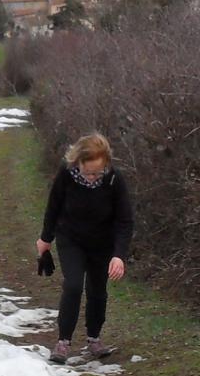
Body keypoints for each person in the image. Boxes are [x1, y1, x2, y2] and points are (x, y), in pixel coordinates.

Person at [37, 133, 132, 362]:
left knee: (98, 290)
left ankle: (94, 339)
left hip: (102, 243)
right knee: (73, 285)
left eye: (96, 173)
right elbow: (54, 207)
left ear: (106, 164)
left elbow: (125, 221)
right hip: (71, 239)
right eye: (87, 172)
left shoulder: (114, 180)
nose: (91, 178)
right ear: (78, 162)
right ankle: (63, 342)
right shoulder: (66, 175)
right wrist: (45, 239)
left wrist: (118, 255)